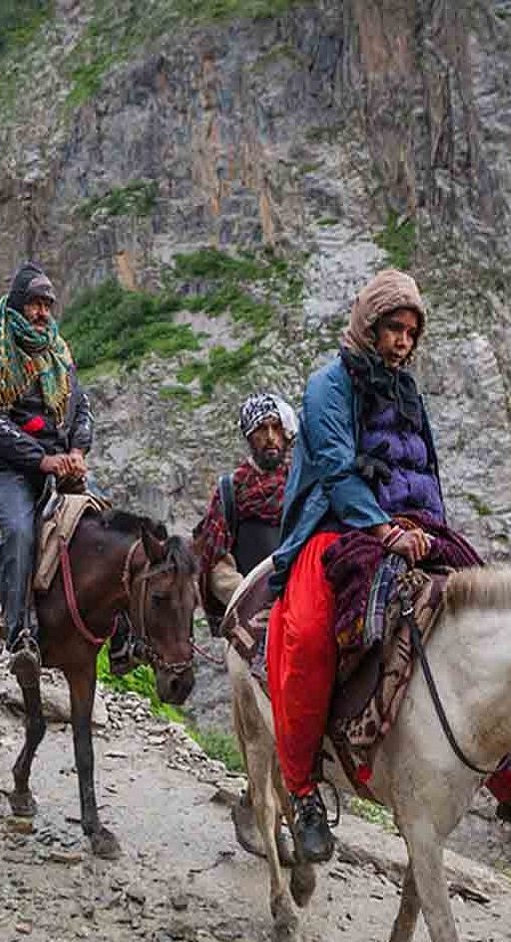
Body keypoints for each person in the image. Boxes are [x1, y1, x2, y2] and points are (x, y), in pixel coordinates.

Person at [264, 270, 451, 863]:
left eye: (412, 332)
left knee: (482, 607)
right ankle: (302, 792)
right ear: (369, 326)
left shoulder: (407, 393)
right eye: (394, 329)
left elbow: (428, 472)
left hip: (406, 529)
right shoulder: (328, 385)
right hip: (337, 526)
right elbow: (339, 473)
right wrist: (382, 529)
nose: (403, 342)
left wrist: (435, 534)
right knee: (312, 636)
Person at [0, 261, 91, 681]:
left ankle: (117, 639)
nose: (42, 312)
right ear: (18, 306)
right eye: (34, 304)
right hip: (9, 469)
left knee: (106, 530)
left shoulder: (59, 350)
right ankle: (18, 633)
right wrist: (41, 459)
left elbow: (81, 407)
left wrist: (76, 449)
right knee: (20, 531)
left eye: (47, 305)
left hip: (59, 463)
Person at [193, 393, 295, 635]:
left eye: (276, 428)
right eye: (261, 429)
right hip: (250, 619)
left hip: (300, 607)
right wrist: (251, 601)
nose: (270, 438)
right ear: (249, 436)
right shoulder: (231, 489)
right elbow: (217, 564)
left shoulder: (301, 484)